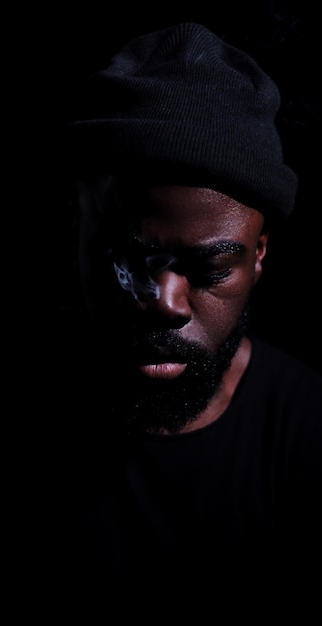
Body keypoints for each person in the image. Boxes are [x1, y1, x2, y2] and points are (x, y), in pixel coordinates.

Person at [53, 21, 322, 622]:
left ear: (258, 256)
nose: (166, 304)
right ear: (77, 238)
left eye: (209, 270)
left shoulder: (309, 430)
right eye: (126, 260)